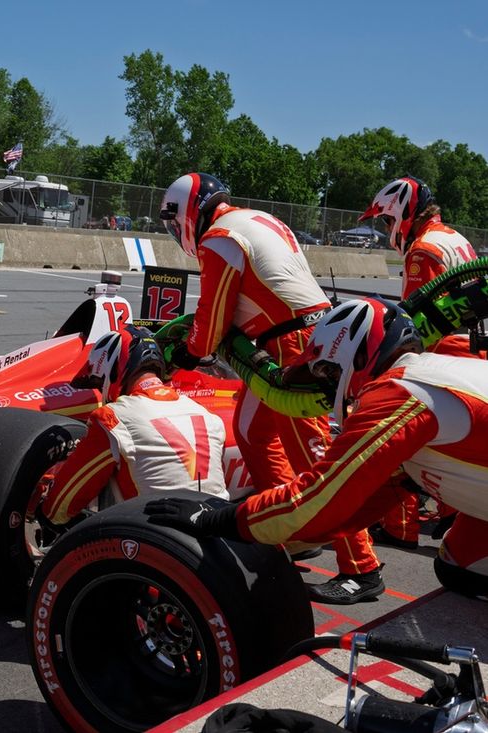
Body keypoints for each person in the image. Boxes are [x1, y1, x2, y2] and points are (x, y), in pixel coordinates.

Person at [144, 298, 488, 601]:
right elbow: (352, 509)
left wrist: (218, 519)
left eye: (328, 371)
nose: (327, 382)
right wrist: (257, 536)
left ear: (359, 356)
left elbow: (319, 497)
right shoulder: (430, 375)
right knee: (456, 563)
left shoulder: (401, 391)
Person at [158, 172, 384, 604]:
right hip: (298, 336)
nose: (175, 231)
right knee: (252, 432)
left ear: (188, 212)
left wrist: (189, 351)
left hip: (292, 345)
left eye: (174, 222)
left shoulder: (219, 238)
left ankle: (362, 567)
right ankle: (293, 530)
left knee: (317, 457)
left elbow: (212, 314)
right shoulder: (255, 218)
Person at [359, 177, 480, 550]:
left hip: (447, 352)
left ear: (401, 213)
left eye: (385, 221)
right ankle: (453, 516)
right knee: (458, 443)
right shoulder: (453, 237)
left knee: (404, 437)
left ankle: (400, 527)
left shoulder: (422, 251)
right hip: (473, 352)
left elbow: (417, 323)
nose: (386, 229)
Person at [38, 326, 228, 527]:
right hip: (219, 529)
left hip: (158, 536)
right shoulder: (208, 416)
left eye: (98, 383)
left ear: (112, 370)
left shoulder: (112, 418)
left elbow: (57, 509)